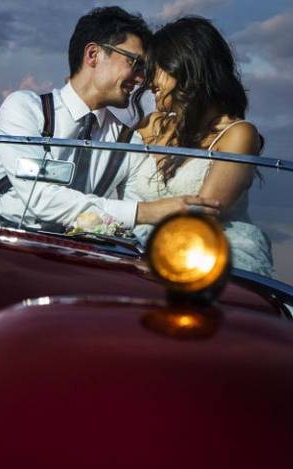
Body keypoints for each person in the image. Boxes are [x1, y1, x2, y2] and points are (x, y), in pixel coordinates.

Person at [0, 6, 219, 230]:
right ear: (93, 55)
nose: (141, 78)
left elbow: (129, 223)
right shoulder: (25, 108)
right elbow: (39, 198)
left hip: (71, 260)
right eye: (135, 63)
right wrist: (145, 212)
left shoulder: (127, 142)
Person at [126, 16, 275, 277]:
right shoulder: (152, 126)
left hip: (202, 252)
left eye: (158, 68)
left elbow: (202, 214)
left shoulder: (238, 134)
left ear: (185, 66)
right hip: (134, 247)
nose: (150, 83)